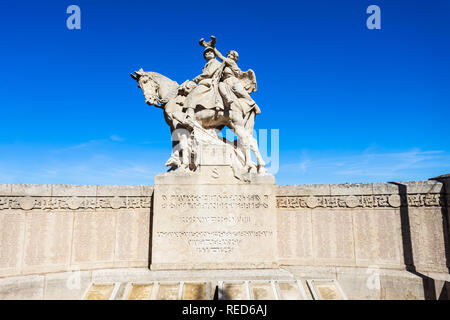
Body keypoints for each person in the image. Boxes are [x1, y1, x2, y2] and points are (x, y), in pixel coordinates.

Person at [213, 47, 261, 117]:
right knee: (220, 86)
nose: (229, 55)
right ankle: (227, 99)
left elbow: (220, 56)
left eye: (231, 55)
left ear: (234, 58)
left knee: (240, 92)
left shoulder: (231, 62)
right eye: (228, 54)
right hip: (225, 81)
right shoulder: (223, 65)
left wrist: (213, 48)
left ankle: (254, 105)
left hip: (233, 80)